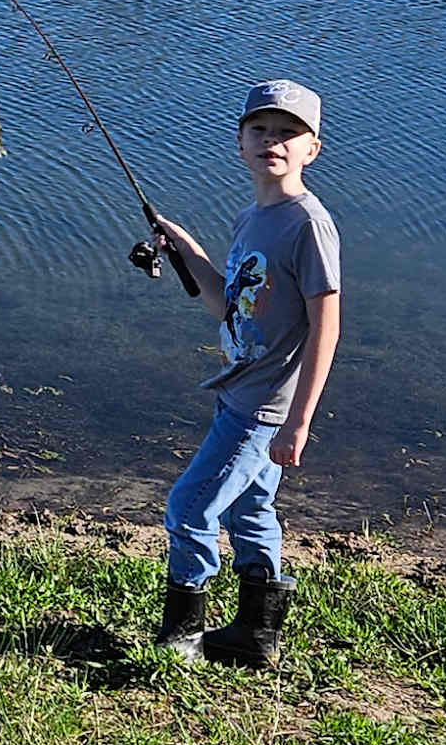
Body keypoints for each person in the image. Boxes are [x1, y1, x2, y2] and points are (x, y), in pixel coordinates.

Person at [140, 80, 344, 670]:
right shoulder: (254, 217)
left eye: (288, 133)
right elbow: (225, 303)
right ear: (240, 144)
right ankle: (257, 636)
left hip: (266, 406)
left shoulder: (309, 224)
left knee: (189, 508)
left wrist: (297, 421)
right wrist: (186, 251)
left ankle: (182, 636)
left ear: (313, 149)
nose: (272, 142)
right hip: (238, 391)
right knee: (249, 510)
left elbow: (326, 327)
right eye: (260, 130)